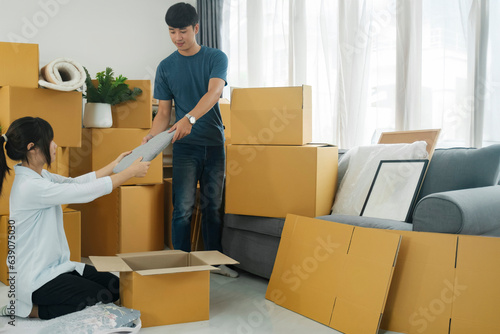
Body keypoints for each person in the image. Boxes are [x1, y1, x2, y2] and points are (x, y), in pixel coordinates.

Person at [0, 117, 150, 319]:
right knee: (96, 297)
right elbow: (83, 193)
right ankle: (29, 310)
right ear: (32, 148)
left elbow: (76, 183)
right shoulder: (30, 186)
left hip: (54, 268)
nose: (54, 146)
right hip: (34, 278)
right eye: (50, 140)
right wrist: (130, 172)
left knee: (113, 288)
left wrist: (116, 165)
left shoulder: (41, 176)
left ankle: (46, 299)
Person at [142, 2, 237, 278]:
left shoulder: (216, 57)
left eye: (182, 31)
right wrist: (151, 136)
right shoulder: (166, 67)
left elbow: (214, 93)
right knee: (182, 208)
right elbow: (163, 113)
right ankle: (180, 265)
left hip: (213, 144)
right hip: (184, 148)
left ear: (196, 28)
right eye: (172, 32)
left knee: (213, 207)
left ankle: (215, 262)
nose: (177, 38)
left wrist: (190, 119)